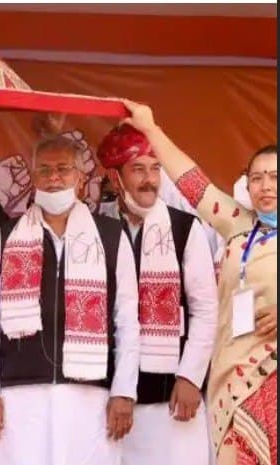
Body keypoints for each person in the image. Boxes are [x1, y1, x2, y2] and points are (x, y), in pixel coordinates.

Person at [121, 99, 277, 465]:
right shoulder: (239, 224)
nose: (265, 186)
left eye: (275, 176)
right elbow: (194, 184)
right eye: (257, 178)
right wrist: (150, 129)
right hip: (233, 381)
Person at [0, 135, 141, 465]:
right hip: (19, 395)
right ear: (34, 177)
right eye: (45, 170)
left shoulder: (110, 235)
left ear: (80, 178)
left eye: (63, 169)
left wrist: (124, 391)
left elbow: (126, 321)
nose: (53, 178)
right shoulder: (7, 236)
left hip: (90, 395)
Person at [96, 124, 218, 465]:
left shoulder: (184, 228)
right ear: (115, 177)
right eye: (138, 169)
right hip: (111, 397)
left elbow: (206, 309)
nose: (150, 180)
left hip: (172, 396)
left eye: (155, 169)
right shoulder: (96, 230)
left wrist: (190, 376)